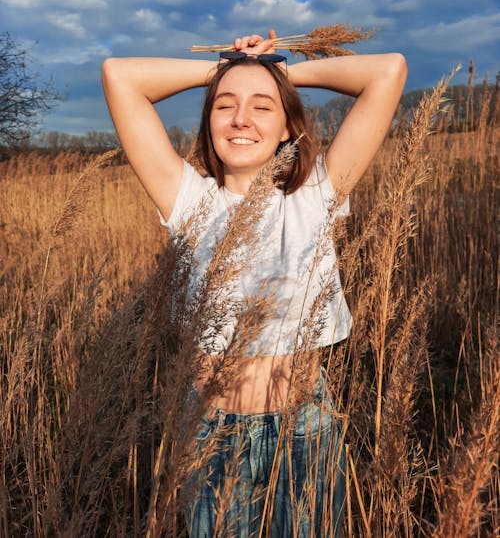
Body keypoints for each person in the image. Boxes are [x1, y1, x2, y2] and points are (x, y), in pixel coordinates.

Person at [102, 30, 407, 536]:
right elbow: (120, 76)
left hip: (304, 430)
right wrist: (229, 68)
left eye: (263, 107)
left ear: (288, 126)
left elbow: (389, 70)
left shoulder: (317, 195)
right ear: (210, 122)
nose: (241, 119)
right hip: (212, 435)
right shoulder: (189, 201)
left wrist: (277, 70)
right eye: (225, 106)